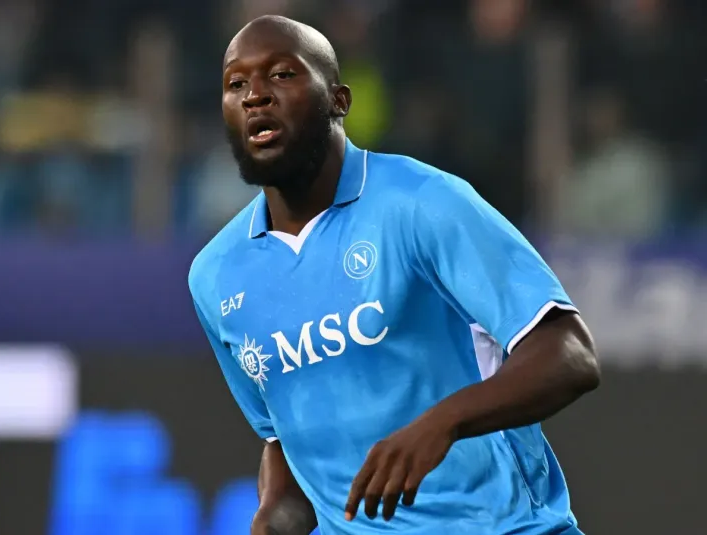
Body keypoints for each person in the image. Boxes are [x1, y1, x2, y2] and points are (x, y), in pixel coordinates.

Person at [188, 15, 600, 535]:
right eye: (236, 84)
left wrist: (443, 423)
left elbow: (570, 354)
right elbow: (281, 440)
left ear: (338, 101)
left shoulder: (422, 202)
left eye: (282, 74)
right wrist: (274, 516)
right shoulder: (216, 275)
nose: (255, 96)